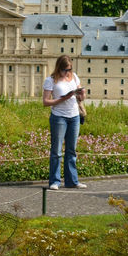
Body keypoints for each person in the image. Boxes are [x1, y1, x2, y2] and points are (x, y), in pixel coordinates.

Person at [43, 55, 86, 190]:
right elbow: (45, 102)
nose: (67, 72)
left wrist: (82, 94)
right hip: (59, 117)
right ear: (59, 68)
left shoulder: (74, 77)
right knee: (56, 151)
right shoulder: (51, 80)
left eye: (69, 69)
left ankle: (72, 181)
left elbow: (81, 97)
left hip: (74, 116)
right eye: (65, 70)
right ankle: (55, 181)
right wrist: (63, 98)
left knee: (71, 150)